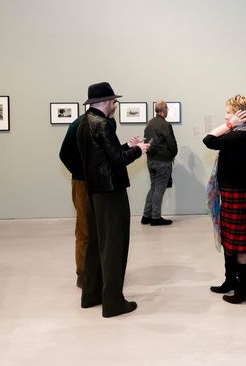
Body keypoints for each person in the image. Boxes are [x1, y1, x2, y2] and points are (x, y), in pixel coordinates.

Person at [76, 82, 149, 318]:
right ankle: (113, 304)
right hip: (111, 193)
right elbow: (118, 160)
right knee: (114, 247)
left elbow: (103, 155)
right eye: (114, 101)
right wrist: (139, 150)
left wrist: (127, 145)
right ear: (107, 102)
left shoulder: (83, 123)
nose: (115, 105)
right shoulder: (104, 124)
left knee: (96, 245)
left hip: (94, 192)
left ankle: (91, 296)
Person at [203, 94, 246, 306]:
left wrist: (229, 124)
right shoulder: (243, 134)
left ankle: (245, 290)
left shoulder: (243, 136)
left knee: (239, 241)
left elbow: (209, 140)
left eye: (228, 112)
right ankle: (231, 281)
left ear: (239, 115)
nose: (226, 116)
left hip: (238, 192)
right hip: (232, 191)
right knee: (230, 238)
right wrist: (231, 124)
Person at [59, 114, 88, 289]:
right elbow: (63, 153)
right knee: (84, 230)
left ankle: (96, 272)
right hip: (82, 183)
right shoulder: (78, 123)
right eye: (113, 101)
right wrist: (80, 172)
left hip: (99, 183)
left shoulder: (109, 122)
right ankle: (83, 275)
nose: (116, 105)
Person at [141, 100, 178, 226]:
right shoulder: (165, 125)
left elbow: (146, 141)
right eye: (167, 109)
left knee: (153, 187)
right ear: (164, 109)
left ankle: (146, 216)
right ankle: (155, 217)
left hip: (151, 160)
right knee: (159, 190)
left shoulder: (150, 123)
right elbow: (171, 143)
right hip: (162, 161)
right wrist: (173, 153)